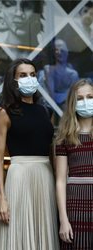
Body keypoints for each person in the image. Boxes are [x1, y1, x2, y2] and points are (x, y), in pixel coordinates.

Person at [0, 58, 59, 250]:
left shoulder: (45, 111)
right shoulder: (3, 112)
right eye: (23, 75)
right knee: (20, 233)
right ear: (13, 81)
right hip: (19, 175)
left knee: (44, 234)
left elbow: (52, 151)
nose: (29, 78)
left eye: (32, 74)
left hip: (45, 175)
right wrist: (1, 198)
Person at [55, 79, 93, 249]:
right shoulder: (64, 138)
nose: (85, 102)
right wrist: (63, 220)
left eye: (90, 96)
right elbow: (60, 180)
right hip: (75, 205)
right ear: (72, 103)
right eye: (79, 98)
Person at [38, 39, 79, 110]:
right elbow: (51, 97)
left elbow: (73, 98)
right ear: (54, 53)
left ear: (67, 52)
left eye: (62, 50)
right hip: (51, 107)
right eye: (56, 50)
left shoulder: (73, 74)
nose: (59, 52)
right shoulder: (48, 70)